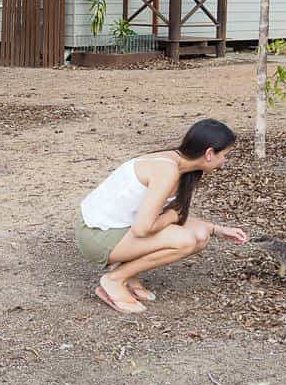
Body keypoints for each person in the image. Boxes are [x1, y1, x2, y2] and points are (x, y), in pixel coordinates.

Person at [75, 118, 249, 314]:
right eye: (225, 155)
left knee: (200, 234)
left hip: (118, 227)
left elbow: (159, 216)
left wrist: (215, 229)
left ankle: (129, 276)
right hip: (96, 235)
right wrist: (173, 217)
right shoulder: (167, 170)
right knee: (185, 240)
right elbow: (144, 228)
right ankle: (114, 280)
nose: (225, 161)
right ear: (209, 153)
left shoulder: (179, 163)